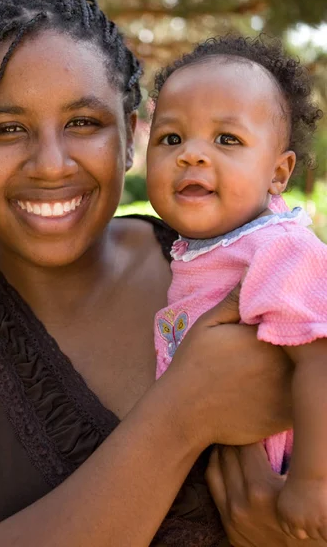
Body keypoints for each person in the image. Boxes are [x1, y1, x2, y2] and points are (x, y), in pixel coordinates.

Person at [0, 0, 318, 547]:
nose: (51, 165)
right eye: (6, 129)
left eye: (84, 123)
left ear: (132, 135)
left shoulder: (241, 262)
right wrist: (179, 417)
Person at [146, 35, 327, 542]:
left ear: (278, 172)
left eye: (226, 139)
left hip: (289, 480)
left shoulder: (279, 248)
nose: (191, 156)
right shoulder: (198, 250)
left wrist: (313, 481)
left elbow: (319, 358)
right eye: (171, 139)